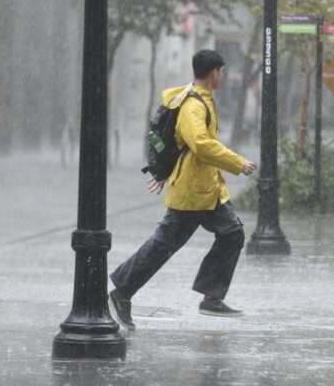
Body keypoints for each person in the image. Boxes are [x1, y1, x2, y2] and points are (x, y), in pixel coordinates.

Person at [108, 50, 257, 330]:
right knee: (163, 245)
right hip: (192, 192)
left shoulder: (198, 99)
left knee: (232, 233)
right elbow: (199, 144)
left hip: (206, 190)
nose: (223, 77)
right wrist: (237, 162)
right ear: (214, 72)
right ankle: (123, 291)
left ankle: (210, 297)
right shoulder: (194, 105)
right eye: (222, 72)